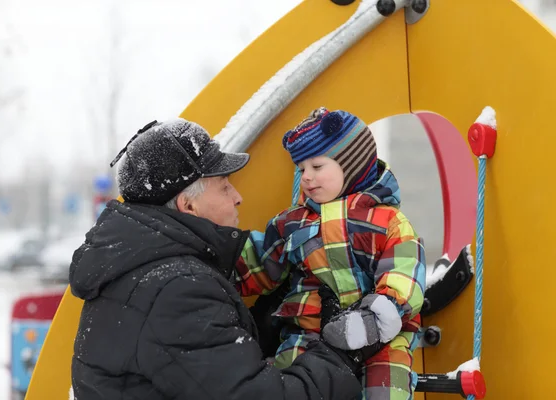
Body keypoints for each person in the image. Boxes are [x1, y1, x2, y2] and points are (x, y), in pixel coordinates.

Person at [69, 117, 368, 400]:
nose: (237, 196)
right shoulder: (176, 290)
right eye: (225, 186)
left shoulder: (141, 271)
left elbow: (197, 374)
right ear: (189, 206)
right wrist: (340, 354)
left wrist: (264, 326)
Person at [234, 107, 426, 399]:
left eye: (317, 167)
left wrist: (374, 319)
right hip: (309, 335)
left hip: (382, 340)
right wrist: (224, 266)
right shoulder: (292, 223)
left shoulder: (387, 221)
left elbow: (405, 273)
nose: (307, 178)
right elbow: (261, 264)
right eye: (301, 170)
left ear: (352, 164)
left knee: (386, 390)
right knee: (289, 386)